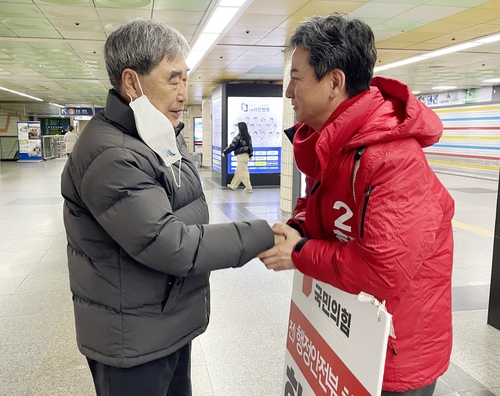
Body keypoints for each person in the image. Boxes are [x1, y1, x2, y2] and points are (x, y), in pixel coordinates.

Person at [60, 18, 275, 396]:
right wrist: (265, 234)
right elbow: (170, 242)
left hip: (164, 321)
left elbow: (191, 208)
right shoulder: (110, 154)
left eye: (185, 78)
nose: (183, 92)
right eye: (172, 79)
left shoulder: (155, 137)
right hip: (132, 340)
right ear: (132, 83)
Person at [258, 13, 454, 396]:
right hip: (351, 339)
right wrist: (300, 224)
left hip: (395, 356)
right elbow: (319, 203)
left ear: (334, 82)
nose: (288, 92)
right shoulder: (334, 142)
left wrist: (297, 252)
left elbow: (382, 270)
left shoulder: (394, 158)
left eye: (296, 79)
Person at [222, 121, 253, 193]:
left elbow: (232, 146)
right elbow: (250, 147)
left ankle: (248, 187)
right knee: (239, 171)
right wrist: (250, 155)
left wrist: (225, 152)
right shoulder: (248, 136)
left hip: (241, 155)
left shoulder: (238, 137)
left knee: (243, 171)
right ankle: (233, 185)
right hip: (246, 155)